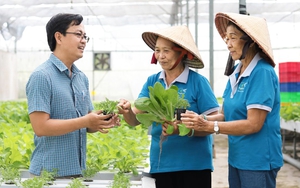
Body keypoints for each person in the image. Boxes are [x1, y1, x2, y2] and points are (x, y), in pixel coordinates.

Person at [182, 12, 283, 188]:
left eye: (233, 38)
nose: (228, 44)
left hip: (258, 160)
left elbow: (254, 124)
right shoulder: (237, 72)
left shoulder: (262, 73)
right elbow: (225, 115)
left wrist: (210, 127)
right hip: (237, 157)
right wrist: (199, 120)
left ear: (251, 41)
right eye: (226, 38)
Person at [118, 25, 219, 188]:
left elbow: (215, 121)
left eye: (166, 51)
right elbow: (135, 120)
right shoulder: (153, 81)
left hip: (195, 165)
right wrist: (127, 111)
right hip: (162, 164)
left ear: (181, 52)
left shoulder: (198, 82)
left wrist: (187, 126)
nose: (161, 56)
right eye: (157, 50)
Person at [26, 13, 119, 178]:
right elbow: (40, 128)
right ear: (59, 37)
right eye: (78, 34)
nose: (83, 40)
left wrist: (101, 121)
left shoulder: (81, 78)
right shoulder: (42, 76)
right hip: (48, 175)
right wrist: (85, 121)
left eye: (85, 36)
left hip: (77, 172)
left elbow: (86, 124)